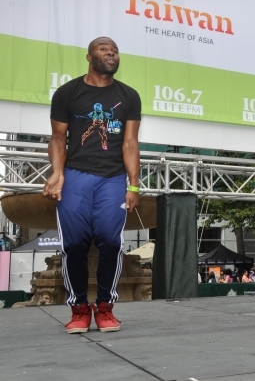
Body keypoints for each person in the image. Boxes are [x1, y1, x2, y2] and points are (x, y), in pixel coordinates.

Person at [43, 37, 141, 334]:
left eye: (114, 50)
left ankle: (105, 307)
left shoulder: (129, 95)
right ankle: (79, 308)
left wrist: (133, 185)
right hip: (75, 175)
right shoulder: (67, 92)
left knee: (111, 242)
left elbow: (130, 142)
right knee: (74, 244)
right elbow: (58, 138)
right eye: (103, 49)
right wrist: (57, 173)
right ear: (89, 57)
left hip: (112, 178)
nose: (111, 52)